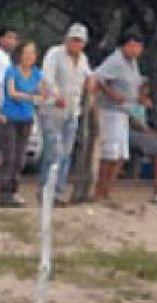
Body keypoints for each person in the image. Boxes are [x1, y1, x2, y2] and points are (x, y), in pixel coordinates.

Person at [39, 23, 92, 204]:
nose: (76, 44)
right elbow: (47, 77)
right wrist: (56, 95)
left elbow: (87, 77)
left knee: (66, 152)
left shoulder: (83, 59)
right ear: (67, 39)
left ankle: (58, 191)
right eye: (74, 40)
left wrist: (90, 83)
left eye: (80, 41)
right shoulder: (54, 54)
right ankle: (46, 189)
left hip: (72, 110)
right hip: (53, 109)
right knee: (54, 151)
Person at [94, 33, 145, 202]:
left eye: (138, 46)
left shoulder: (133, 63)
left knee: (122, 154)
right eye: (132, 45)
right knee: (110, 153)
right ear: (124, 46)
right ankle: (99, 191)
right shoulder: (115, 60)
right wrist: (112, 93)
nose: (135, 49)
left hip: (125, 111)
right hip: (111, 111)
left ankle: (108, 191)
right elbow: (99, 78)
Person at [0, 41, 45, 208]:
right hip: (10, 117)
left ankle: (14, 189)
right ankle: (4, 192)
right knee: (9, 155)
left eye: (32, 53)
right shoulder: (12, 71)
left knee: (20, 157)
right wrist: (32, 97)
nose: (29, 56)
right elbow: (12, 93)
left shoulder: (37, 73)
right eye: (26, 52)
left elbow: (44, 90)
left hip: (26, 117)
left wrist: (51, 95)